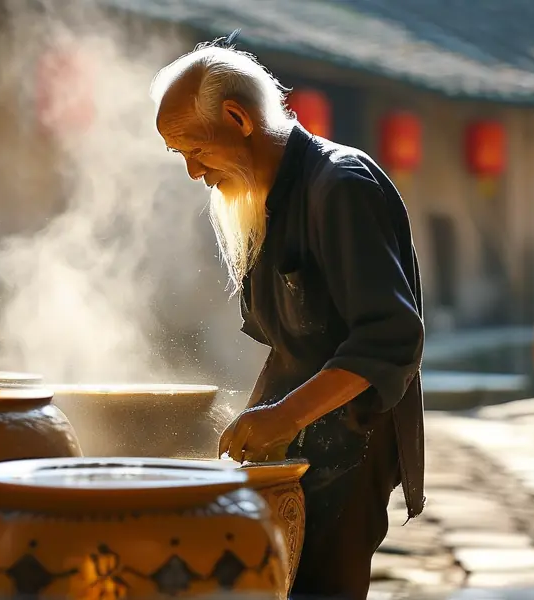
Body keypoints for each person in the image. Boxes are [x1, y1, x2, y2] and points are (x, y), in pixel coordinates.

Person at [150, 33, 425, 600]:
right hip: (303, 442)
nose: (193, 173)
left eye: (194, 149)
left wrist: (282, 418)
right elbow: (289, 348)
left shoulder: (340, 186)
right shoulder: (270, 195)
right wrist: (254, 418)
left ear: (237, 117)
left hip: (352, 443)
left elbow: (391, 338)